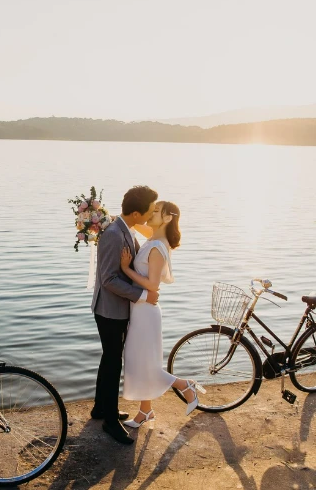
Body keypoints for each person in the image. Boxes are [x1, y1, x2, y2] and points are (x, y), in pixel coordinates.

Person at [119, 201, 204, 428]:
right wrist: (109, 218)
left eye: (155, 211)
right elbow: (137, 225)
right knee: (140, 362)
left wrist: (126, 269)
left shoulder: (157, 247)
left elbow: (153, 286)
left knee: (146, 365)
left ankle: (185, 385)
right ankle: (145, 411)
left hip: (146, 312)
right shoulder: (155, 238)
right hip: (140, 310)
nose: (150, 213)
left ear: (167, 218)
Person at [91, 185, 159, 445]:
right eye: (150, 209)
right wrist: (142, 296)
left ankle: (100, 408)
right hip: (110, 310)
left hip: (117, 308)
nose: (151, 213)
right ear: (135, 212)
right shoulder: (114, 234)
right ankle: (110, 420)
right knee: (112, 363)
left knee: (109, 359)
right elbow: (108, 279)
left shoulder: (125, 228)